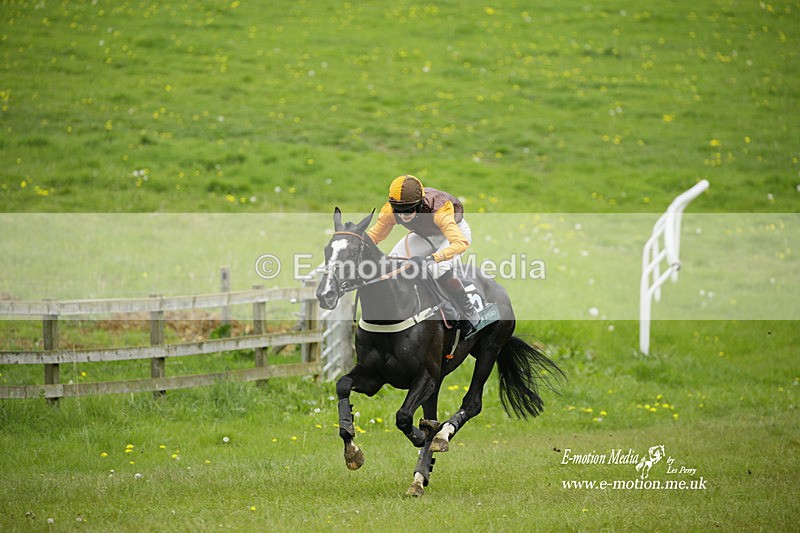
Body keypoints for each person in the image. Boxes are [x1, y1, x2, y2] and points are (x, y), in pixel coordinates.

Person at [366, 174, 481, 335]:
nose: (404, 215)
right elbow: (372, 237)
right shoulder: (390, 211)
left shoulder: (439, 208)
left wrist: (432, 258)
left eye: (409, 209)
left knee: (437, 269)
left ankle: (469, 314)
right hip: (425, 235)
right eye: (399, 210)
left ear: (420, 203)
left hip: (454, 233)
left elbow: (459, 243)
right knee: (392, 263)